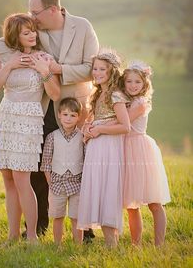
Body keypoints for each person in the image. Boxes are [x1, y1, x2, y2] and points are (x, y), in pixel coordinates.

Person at [0, 0, 99, 239]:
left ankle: (85, 230)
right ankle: (37, 226)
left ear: (53, 10)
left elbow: (91, 68)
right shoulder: (34, 30)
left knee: (75, 167)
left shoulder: (82, 27)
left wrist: (55, 68)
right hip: (40, 107)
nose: (32, 17)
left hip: (75, 107)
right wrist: (13, 58)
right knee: (38, 167)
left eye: (35, 12)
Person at [0, 13, 60, 244]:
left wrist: (43, 70)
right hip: (6, 118)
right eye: (26, 32)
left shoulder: (44, 57)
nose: (32, 35)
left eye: (33, 31)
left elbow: (56, 94)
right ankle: (13, 235)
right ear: (14, 36)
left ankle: (32, 236)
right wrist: (10, 65)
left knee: (22, 179)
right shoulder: (4, 57)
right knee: (7, 178)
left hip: (29, 121)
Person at [77, 49, 130, 248]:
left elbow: (125, 126)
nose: (97, 72)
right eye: (95, 68)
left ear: (112, 72)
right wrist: (88, 128)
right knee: (97, 186)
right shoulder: (98, 93)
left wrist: (100, 130)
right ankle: (109, 241)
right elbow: (95, 120)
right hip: (96, 146)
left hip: (108, 146)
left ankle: (111, 243)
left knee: (107, 188)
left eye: (102, 69)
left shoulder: (115, 95)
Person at [118, 60, 171, 246]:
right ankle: (136, 244)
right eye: (129, 82)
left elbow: (123, 123)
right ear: (124, 83)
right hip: (125, 150)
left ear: (144, 84)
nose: (133, 85)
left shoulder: (141, 102)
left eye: (137, 82)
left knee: (154, 202)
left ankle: (159, 244)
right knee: (132, 205)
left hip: (140, 150)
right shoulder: (124, 100)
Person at [40, 97, 84, 245]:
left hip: (76, 184)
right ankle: (57, 244)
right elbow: (46, 161)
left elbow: (85, 161)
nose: (68, 118)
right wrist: (49, 181)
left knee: (76, 217)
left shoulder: (82, 137)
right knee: (57, 216)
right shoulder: (52, 137)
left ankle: (78, 245)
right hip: (57, 184)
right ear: (59, 115)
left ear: (78, 117)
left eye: (72, 115)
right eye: (65, 114)